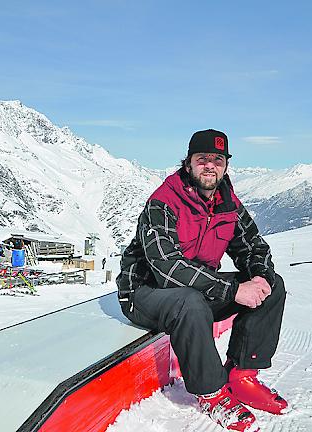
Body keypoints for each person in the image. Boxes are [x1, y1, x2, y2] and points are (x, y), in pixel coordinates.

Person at [117, 129, 287, 431]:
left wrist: (259, 277)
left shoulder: (228, 204)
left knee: (272, 285)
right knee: (189, 302)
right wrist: (232, 290)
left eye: (217, 160)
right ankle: (212, 392)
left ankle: (242, 376)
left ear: (225, 165)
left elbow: (252, 246)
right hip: (145, 293)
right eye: (202, 159)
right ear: (188, 163)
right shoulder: (163, 202)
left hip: (195, 291)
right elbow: (166, 267)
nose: (210, 165)